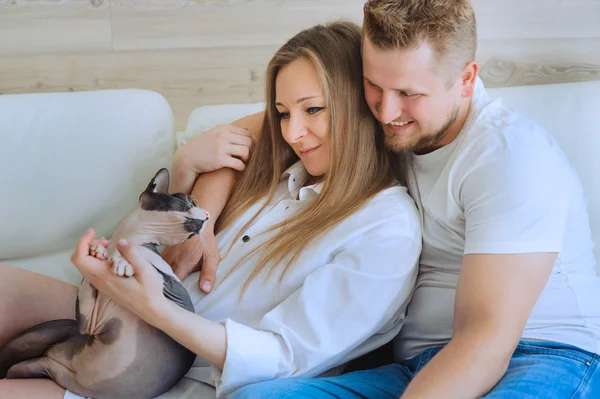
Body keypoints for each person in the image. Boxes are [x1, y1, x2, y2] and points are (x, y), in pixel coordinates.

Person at [170, 0, 600, 398]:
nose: (386, 111)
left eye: (408, 94)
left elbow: (484, 342)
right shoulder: (382, 119)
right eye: (372, 86)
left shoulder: (509, 156)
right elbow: (249, 134)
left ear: (466, 80)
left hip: (541, 356)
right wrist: (200, 219)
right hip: (414, 367)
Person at [0, 21, 423, 399]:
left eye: (313, 109)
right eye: (281, 113)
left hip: (171, 376)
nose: (293, 132)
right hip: (115, 314)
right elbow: (170, 243)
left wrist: (157, 311)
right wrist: (184, 167)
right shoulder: (277, 173)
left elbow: (285, 355)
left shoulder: (386, 229)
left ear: (358, 104)